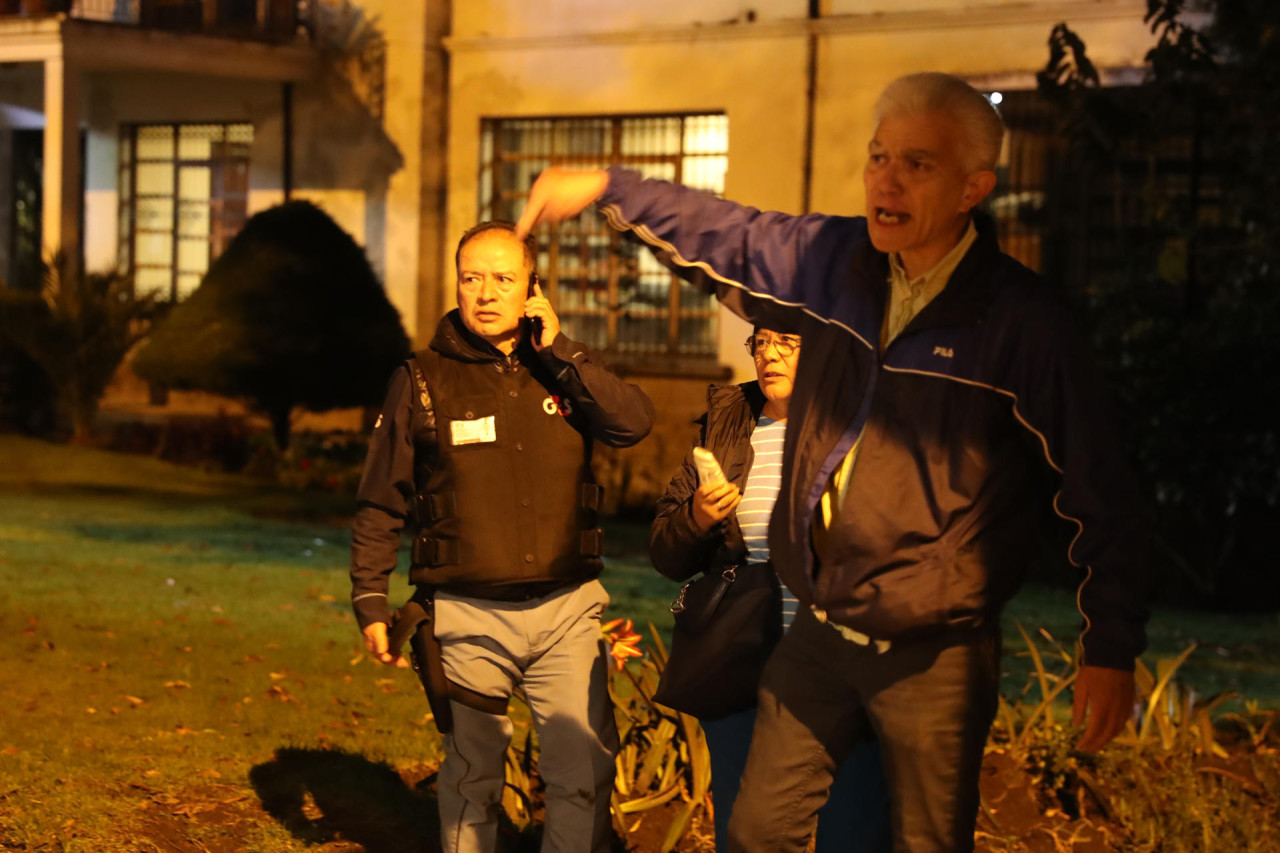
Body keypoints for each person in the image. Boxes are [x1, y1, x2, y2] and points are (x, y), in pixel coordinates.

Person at [514, 72, 1151, 853]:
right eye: (878, 157)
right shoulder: (835, 264)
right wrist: (613, 185)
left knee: (921, 841)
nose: (886, 178)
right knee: (755, 834)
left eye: (916, 164)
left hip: (935, 653)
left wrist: (1110, 647)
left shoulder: (1022, 324)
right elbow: (731, 234)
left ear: (972, 189)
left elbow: (1101, 489)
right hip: (819, 630)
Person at [349, 221, 655, 853]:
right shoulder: (421, 379)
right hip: (466, 616)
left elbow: (632, 424)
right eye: (472, 278)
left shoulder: (565, 371)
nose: (486, 293)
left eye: (504, 279)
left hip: (567, 613)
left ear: (531, 288)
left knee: (582, 778)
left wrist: (563, 349)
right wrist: (369, 598)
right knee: (472, 781)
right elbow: (382, 497)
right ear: (457, 285)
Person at [649, 325, 892, 853]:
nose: (769, 354)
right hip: (745, 665)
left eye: (788, 342)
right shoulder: (730, 424)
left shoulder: (865, 421)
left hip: (843, 667)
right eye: (760, 342)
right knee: (747, 834)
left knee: (854, 831)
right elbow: (666, 554)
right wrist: (696, 517)